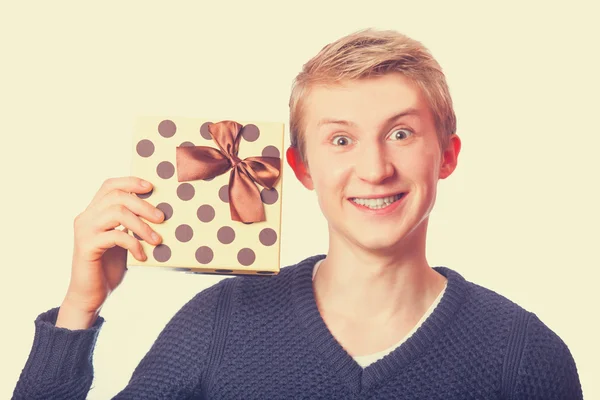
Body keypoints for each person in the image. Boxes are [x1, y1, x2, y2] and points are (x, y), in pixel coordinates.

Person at [13, 28, 582, 399]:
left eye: (401, 133)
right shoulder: (221, 322)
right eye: (340, 140)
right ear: (301, 168)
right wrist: (78, 308)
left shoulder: (525, 356)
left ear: (447, 155)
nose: (375, 168)